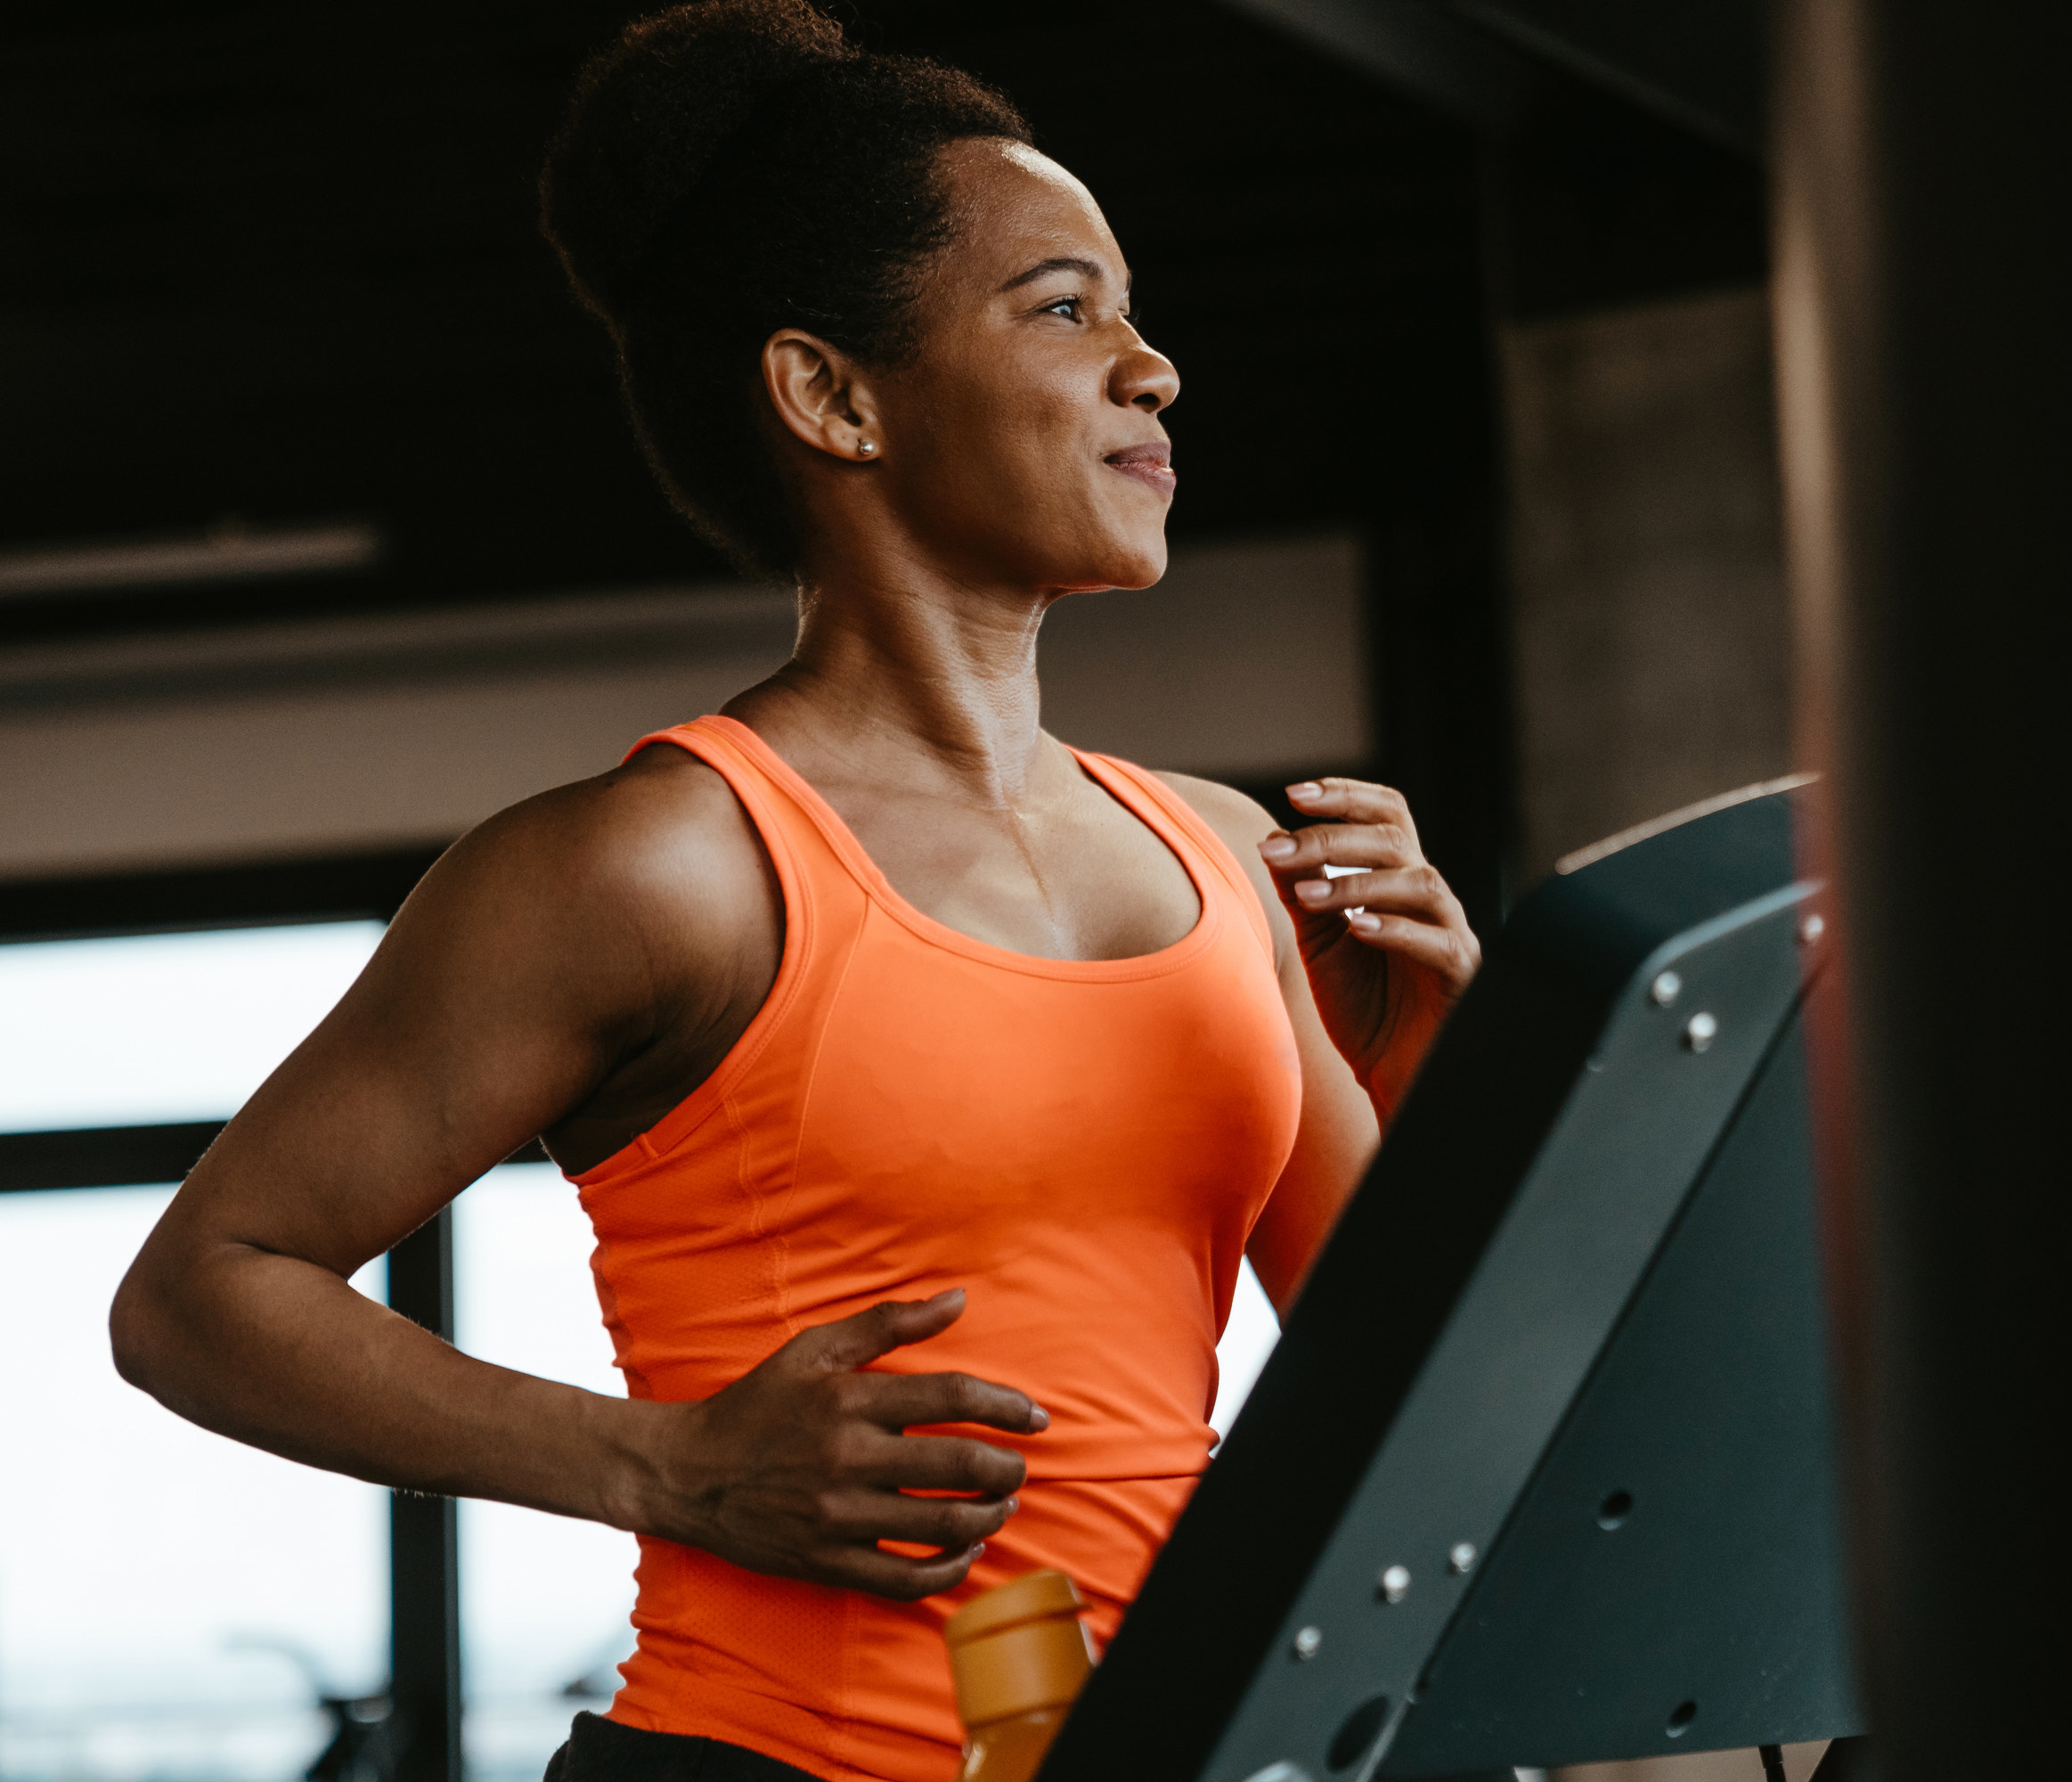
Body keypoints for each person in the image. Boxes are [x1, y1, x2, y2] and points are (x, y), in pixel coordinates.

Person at [107, 4, 1481, 1778]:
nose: (1153, 368)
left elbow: (1416, 1389)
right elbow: (202, 1289)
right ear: (833, 394)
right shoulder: (656, 865)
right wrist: (664, 1463)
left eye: (1134, 311)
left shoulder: (1216, 853)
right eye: (1066, 307)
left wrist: (1431, 1067)